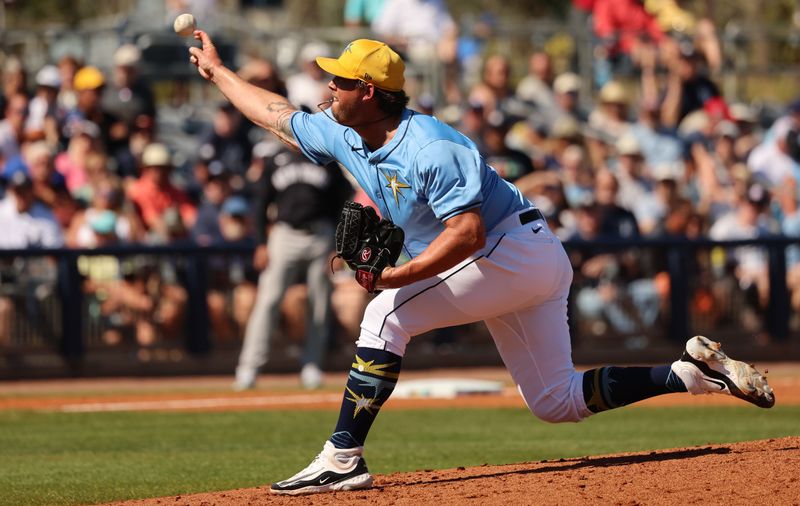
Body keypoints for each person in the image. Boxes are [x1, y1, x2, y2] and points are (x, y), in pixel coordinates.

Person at [189, 32, 775, 495]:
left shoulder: (429, 146)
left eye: (338, 80)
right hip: (521, 258)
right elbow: (272, 113)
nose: (328, 87)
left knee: (385, 315)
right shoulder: (347, 133)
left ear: (369, 91)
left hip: (509, 248)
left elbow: (466, 233)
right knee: (556, 402)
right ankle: (692, 374)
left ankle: (342, 457)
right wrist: (217, 73)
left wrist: (393, 277)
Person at [234, 140, 353, 391]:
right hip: (284, 234)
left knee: (319, 303)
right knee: (268, 300)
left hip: (321, 235)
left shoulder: (325, 159)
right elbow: (260, 204)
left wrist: (338, 245)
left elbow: (343, 202)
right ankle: (249, 367)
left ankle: (312, 364)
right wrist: (261, 243)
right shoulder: (275, 160)